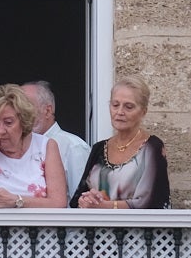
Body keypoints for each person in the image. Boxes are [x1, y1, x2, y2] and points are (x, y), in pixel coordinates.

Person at [72, 76, 171, 210]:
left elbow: (154, 201)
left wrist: (106, 206)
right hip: (97, 228)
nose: (119, 112)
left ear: (143, 112)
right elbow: (78, 197)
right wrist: (87, 199)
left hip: (136, 229)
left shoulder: (152, 147)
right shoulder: (99, 148)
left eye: (128, 107)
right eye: (115, 105)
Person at [0, 83, 68, 209]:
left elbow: (59, 203)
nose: (1, 130)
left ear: (23, 122)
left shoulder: (46, 146)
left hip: (40, 228)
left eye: (8, 123)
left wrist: (17, 201)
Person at [25, 79, 90, 195]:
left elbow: (82, 202)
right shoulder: (16, 147)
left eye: (25, 107)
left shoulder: (74, 147)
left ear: (48, 111)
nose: (19, 113)